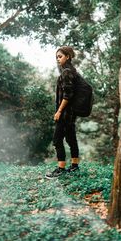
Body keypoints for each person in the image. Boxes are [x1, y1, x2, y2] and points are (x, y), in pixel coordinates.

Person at [45, 46, 79, 179]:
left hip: (65, 113)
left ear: (68, 56)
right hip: (71, 113)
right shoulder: (73, 71)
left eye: (60, 56)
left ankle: (61, 169)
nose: (58, 59)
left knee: (57, 140)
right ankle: (75, 166)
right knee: (71, 138)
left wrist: (59, 111)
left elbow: (68, 95)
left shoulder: (66, 72)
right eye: (57, 57)